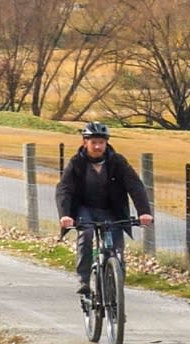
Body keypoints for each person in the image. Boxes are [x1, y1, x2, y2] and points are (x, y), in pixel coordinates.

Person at [56, 121, 153, 307]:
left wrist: (144, 212)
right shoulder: (77, 163)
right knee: (87, 234)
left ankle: (115, 289)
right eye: (93, 142)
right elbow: (64, 189)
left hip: (111, 211)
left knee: (117, 251)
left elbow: (135, 186)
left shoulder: (117, 161)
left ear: (107, 143)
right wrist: (65, 215)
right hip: (85, 209)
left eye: (101, 142)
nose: (98, 146)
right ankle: (84, 280)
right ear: (85, 142)